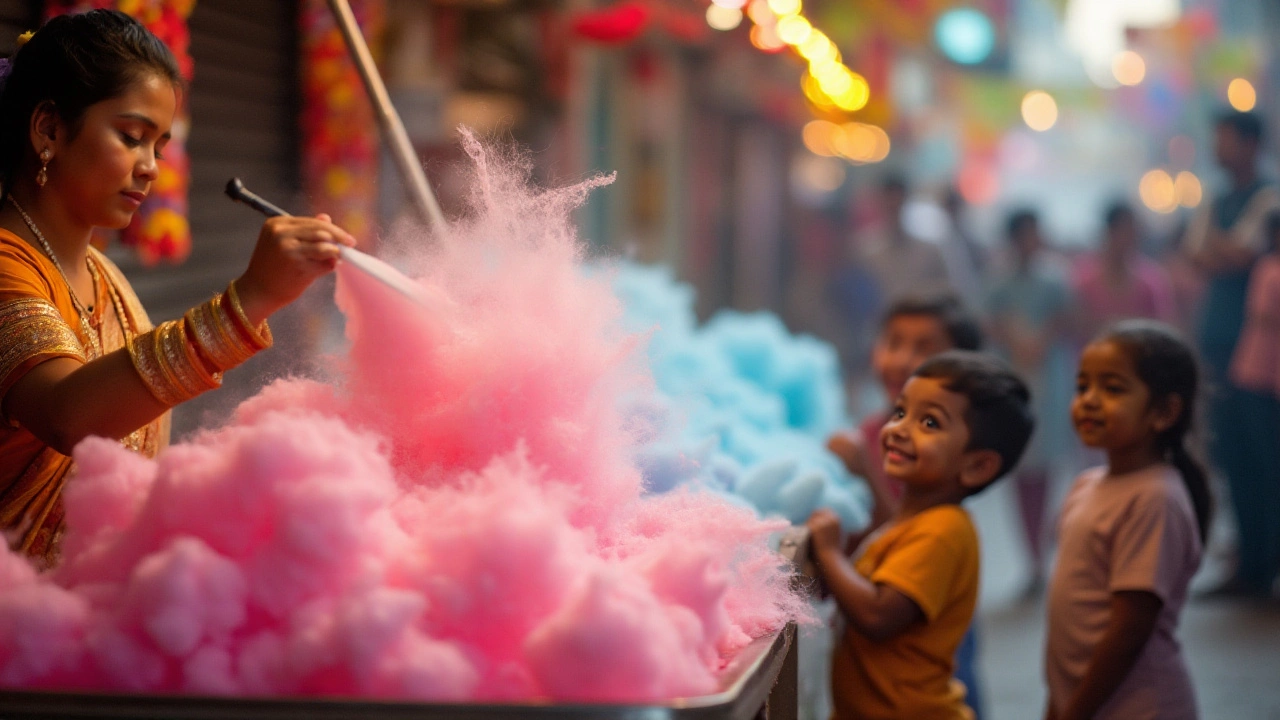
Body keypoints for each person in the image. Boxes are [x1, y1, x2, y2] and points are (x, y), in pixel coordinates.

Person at [0, 10, 354, 567]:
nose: (150, 169)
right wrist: (248, 302)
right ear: (48, 128)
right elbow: (70, 415)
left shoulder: (105, 277)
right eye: (132, 137)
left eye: (159, 147)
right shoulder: (6, 266)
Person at [808, 351, 1034, 720]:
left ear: (977, 466)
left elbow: (878, 616)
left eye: (929, 422)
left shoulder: (942, 532)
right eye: (900, 412)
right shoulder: (912, 522)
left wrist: (829, 554)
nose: (899, 428)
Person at [1045, 321, 1209, 720]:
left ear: (1164, 412)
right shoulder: (1087, 484)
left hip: (1138, 705)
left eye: (1113, 388)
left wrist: (1075, 712)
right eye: (1083, 386)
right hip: (1087, 701)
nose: (1089, 401)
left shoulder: (1155, 499)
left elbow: (1129, 632)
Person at [1182, 110, 1280, 597]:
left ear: (1250, 143)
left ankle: (1265, 559)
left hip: (1262, 351)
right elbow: (1197, 253)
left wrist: (1220, 252)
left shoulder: (1268, 195)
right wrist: (1223, 252)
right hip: (1219, 339)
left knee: (1266, 455)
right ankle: (1251, 560)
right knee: (1234, 456)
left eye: (1225, 139)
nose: (1218, 149)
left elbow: (1237, 254)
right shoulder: (1217, 198)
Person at [987, 208, 1075, 591]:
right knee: (1021, 470)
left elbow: (1069, 319)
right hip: (1013, 380)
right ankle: (1033, 558)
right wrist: (1015, 338)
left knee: (1049, 468)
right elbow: (989, 320)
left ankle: (1043, 550)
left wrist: (1040, 340)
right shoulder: (998, 279)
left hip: (1050, 382)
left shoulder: (1055, 278)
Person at [1072, 201, 1176, 341]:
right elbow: (1073, 324)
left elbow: (1163, 326)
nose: (1129, 238)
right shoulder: (1083, 279)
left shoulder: (1150, 282)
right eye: (1124, 231)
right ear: (1109, 232)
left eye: (1133, 232)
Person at [855, 176, 952, 305]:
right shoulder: (865, 252)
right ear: (880, 202)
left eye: (897, 203)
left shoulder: (929, 251)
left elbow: (945, 291)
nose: (894, 208)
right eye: (889, 203)